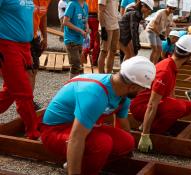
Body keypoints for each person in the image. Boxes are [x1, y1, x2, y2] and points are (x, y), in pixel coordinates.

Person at [41, 56, 156, 175]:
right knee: (102, 143)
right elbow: (76, 138)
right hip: (55, 130)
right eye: (143, 88)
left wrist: (128, 151)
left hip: (83, 126)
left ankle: (81, 162)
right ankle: (76, 167)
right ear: (133, 86)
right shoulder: (95, 95)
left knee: (126, 142)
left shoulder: (122, 94)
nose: (143, 92)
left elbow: (122, 121)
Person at [130, 35, 191, 153]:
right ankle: (151, 130)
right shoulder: (166, 70)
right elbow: (152, 104)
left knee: (189, 106)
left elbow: (171, 95)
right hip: (141, 107)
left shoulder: (172, 65)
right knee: (179, 107)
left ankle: (152, 124)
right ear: (190, 56)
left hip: (150, 105)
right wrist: (145, 134)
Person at [0, 0, 40, 139]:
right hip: (7, 46)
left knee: (11, 91)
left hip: (25, 46)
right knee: (23, 92)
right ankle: (33, 132)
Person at [30, 0, 51, 110]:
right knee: (30, 71)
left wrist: (44, 37)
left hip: (33, 38)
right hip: (21, 39)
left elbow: (43, 15)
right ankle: (27, 102)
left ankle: (28, 100)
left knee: (33, 70)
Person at [63, 0, 89, 79]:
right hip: (71, 39)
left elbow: (85, 21)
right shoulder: (72, 4)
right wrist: (80, 30)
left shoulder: (86, 6)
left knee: (77, 65)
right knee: (76, 64)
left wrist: (87, 28)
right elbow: (65, 22)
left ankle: (74, 84)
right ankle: (72, 85)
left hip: (80, 39)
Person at [97, 0, 120, 73]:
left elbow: (115, 10)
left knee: (113, 51)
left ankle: (108, 73)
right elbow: (100, 11)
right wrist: (103, 28)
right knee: (104, 51)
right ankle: (101, 75)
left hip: (115, 25)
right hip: (107, 26)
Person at [81, 0, 100, 66]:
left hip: (87, 17)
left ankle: (84, 53)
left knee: (88, 38)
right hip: (96, 18)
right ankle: (94, 61)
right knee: (97, 40)